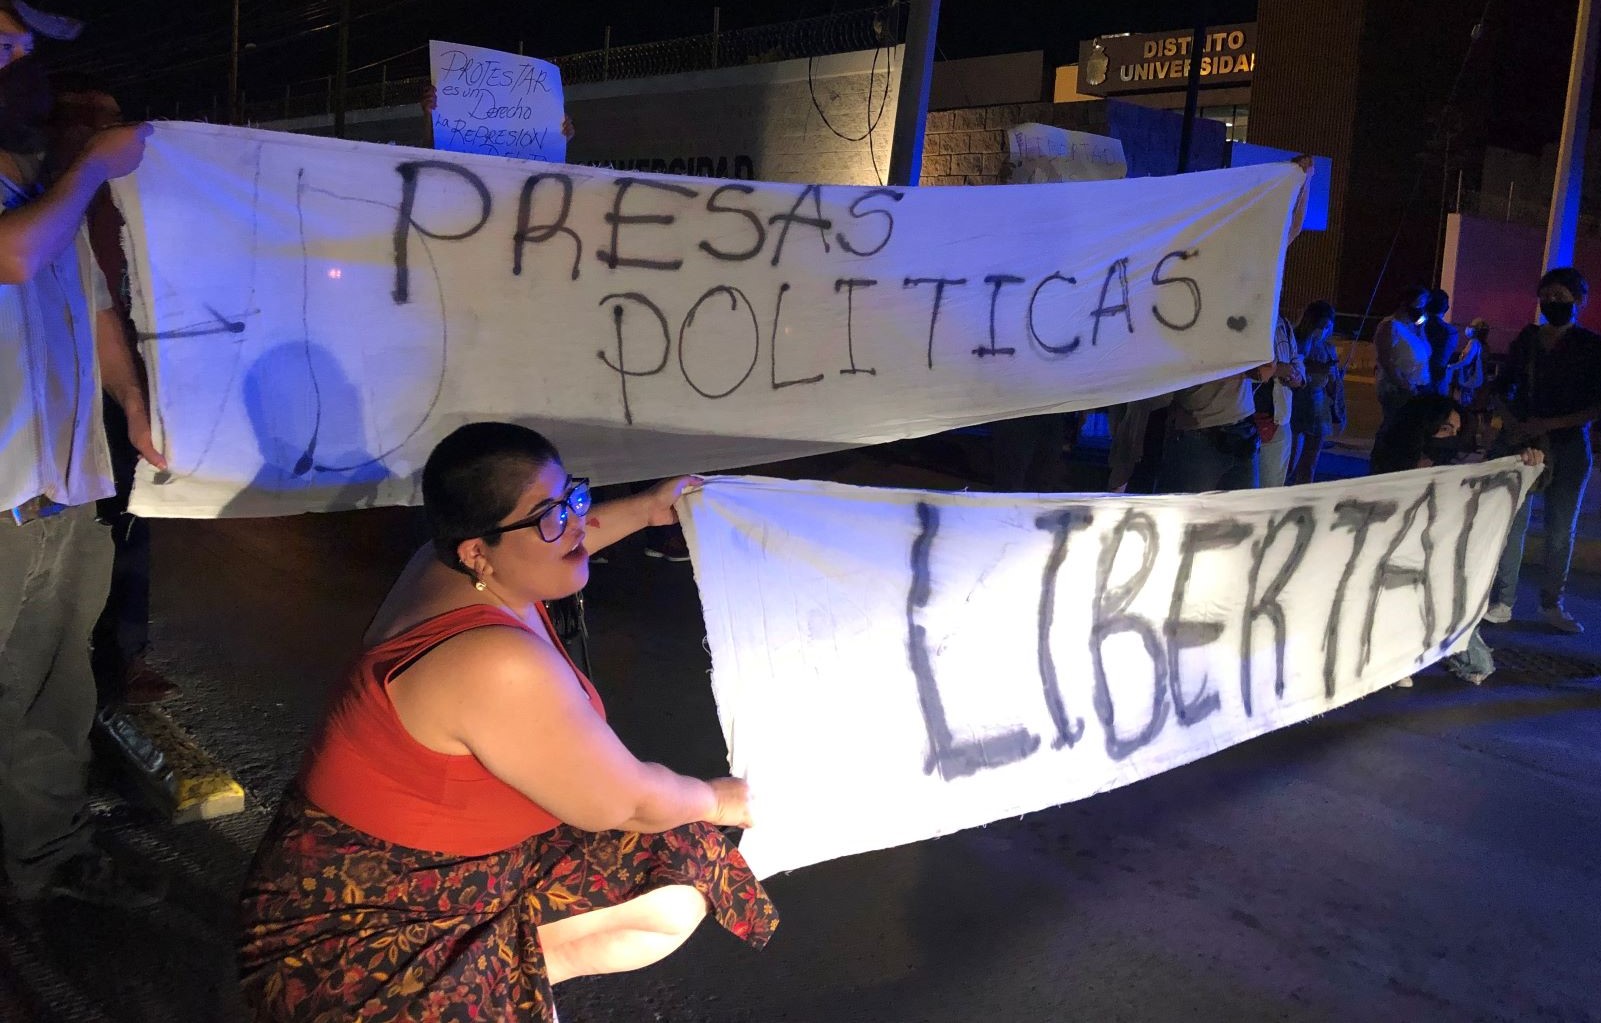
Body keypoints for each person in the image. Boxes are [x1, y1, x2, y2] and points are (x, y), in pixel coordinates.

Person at [239, 423, 777, 1023]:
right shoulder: (494, 662)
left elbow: (562, 537)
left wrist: (646, 509)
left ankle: (508, 972)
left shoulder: (447, 564)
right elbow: (626, 804)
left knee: (680, 878)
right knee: (679, 823)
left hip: (463, 870)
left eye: (572, 497)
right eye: (551, 516)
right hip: (366, 924)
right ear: (477, 551)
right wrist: (719, 799)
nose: (575, 523)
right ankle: (488, 990)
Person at [0, 1, 166, 906]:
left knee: (55, 687)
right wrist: (96, 164)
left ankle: (47, 854)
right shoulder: (54, 185)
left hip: (62, 487)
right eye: (3, 33)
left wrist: (133, 401)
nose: (17, 54)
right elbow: (17, 258)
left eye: (26, 44)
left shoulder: (37, 171)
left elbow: (94, 301)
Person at [45, 71, 178, 705]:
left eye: (110, 119)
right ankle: (65, 657)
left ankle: (122, 655)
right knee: (68, 530)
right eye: (84, 120)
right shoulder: (41, 200)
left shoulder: (139, 192)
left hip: (127, 376)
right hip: (56, 392)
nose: (101, 131)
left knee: (132, 518)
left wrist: (134, 396)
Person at [1369, 394, 1543, 686]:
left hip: (1441, 572)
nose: (1451, 438)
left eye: (1456, 431)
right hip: (1395, 568)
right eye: (1445, 429)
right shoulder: (1391, 463)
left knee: (1478, 666)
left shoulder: (1459, 467)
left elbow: (1499, 480)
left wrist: (1526, 465)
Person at [1483, 267, 1601, 634]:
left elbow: (1596, 406)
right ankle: (1504, 601)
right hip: (1524, 443)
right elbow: (1502, 387)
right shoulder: (1527, 340)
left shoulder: (1590, 346)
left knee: (1560, 530)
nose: (1552, 302)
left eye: (1561, 297)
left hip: (1567, 447)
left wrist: (1547, 425)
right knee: (1512, 525)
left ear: (1579, 301)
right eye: (1546, 296)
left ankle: (1552, 603)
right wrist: (1508, 419)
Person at [1288, 300, 1339, 485]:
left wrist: (1334, 379)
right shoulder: (1296, 340)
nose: (1324, 331)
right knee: (1289, 461)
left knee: (1310, 463)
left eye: (1327, 327)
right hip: (1296, 403)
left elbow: (1333, 384)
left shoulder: (1327, 347)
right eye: (1321, 326)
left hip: (1318, 404)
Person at [1255, 312, 1307, 487]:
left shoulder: (1282, 323)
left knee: (1271, 488)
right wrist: (1276, 370)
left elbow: (1295, 358)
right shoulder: (1244, 316)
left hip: (1279, 417)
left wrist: (1297, 377)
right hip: (1244, 418)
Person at [1373, 286, 1433, 434]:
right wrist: (1405, 385)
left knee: (1411, 431)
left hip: (1419, 385)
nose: (1421, 308)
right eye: (1419, 304)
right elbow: (1385, 359)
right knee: (1395, 429)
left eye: (1424, 305)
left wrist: (1421, 328)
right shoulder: (1390, 325)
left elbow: (1427, 351)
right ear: (1406, 303)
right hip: (1399, 389)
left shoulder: (1413, 327)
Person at [1422, 288, 1458, 397]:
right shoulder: (1451, 332)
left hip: (1416, 380)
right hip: (1438, 381)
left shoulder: (1417, 327)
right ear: (1446, 308)